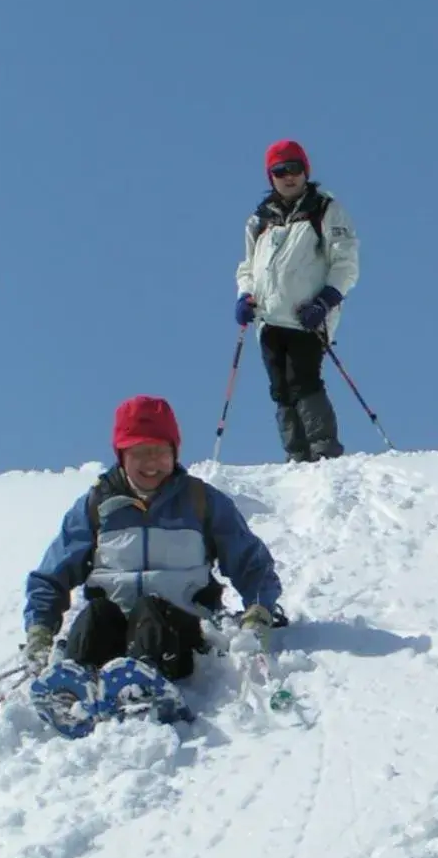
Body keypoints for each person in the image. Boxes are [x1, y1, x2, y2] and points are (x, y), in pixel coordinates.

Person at [23, 396, 284, 680]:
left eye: (160, 451)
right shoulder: (95, 506)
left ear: (175, 453)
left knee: (149, 610)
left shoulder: (201, 501)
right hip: (114, 630)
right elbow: (51, 575)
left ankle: (142, 686)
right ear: (121, 456)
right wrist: (40, 629)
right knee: (95, 616)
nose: (151, 462)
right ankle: (73, 686)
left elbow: (251, 562)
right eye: (139, 452)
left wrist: (258, 610)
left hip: (182, 630)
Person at [235, 139, 361, 462]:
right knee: (280, 387)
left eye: (295, 169)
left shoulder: (324, 209)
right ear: (270, 177)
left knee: (303, 379)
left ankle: (322, 446)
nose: (288, 177)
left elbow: (345, 261)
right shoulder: (259, 220)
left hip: (306, 316)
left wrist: (325, 302)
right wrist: (245, 296)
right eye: (280, 171)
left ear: (306, 171)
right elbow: (248, 267)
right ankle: (296, 453)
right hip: (269, 318)